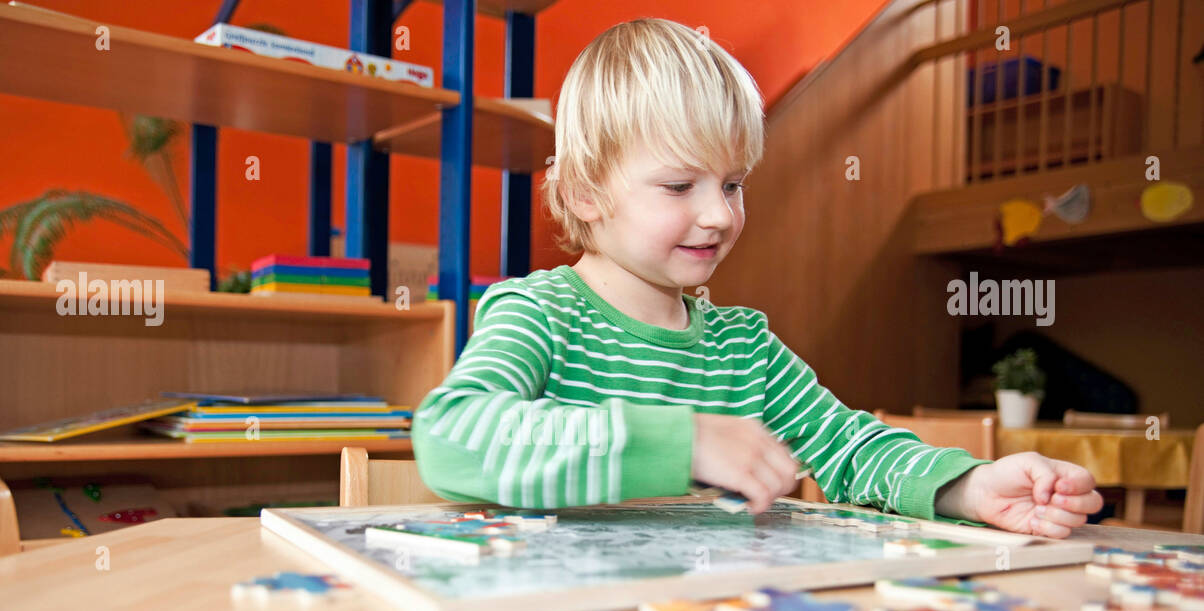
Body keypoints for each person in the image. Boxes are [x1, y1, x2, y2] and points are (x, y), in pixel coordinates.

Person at [412, 18, 1101, 537]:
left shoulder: (744, 347)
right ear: (587, 192)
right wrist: (685, 441)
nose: (718, 214)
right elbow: (453, 436)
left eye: (734, 183)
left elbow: (848, 445)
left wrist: (971, 486)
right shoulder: (538, 312)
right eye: (680, 185)